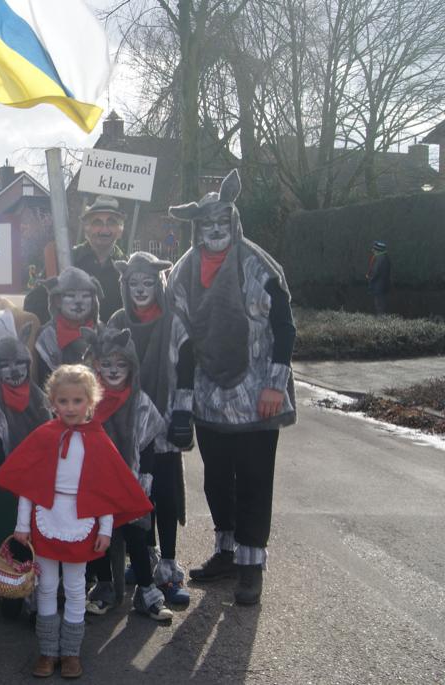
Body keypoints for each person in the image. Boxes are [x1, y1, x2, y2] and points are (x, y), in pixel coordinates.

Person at [166, 169, 296, 605]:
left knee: (256, 478)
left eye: (222, 223)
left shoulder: (259, 265)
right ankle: (225, 552)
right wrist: (183, 406)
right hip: (210, 398)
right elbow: (180, 341)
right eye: (206, 225)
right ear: (196, 228)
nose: (215, 231)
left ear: (234, 222)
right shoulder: (183, 272)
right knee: (217, 478)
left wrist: (275, 385)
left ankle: (251, 562)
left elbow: (284, 326)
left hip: (259, 393)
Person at [0, 365, 153, 679]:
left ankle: (71, 653)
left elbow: (104, 489)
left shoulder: (98, 440)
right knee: (47, 585)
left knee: (77, 587)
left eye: (77, 401)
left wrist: (106, 529)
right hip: (46, 518)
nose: (70, 407)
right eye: (63, 401)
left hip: (82, 522)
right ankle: (48, 650)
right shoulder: (44, 436)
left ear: (90, 402)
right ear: (53, 402)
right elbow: (29, 486)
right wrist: (22, 524)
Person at [103, 252, 193, 606]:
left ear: (159, 284)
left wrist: (184, 414)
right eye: (133, 283)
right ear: (124, 286)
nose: (140, 290)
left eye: (147, 283)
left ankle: (168, 567)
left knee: (166, 492)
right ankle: (147, 559)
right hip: (129, 424)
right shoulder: (116, 320)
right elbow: (105, 366)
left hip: (167, 419)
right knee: (140, 495)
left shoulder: (174, 322)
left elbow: (187, 368)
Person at [80, 327, 173, 622]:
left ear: (131, 366)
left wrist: (144, 480)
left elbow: (147, 445)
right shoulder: (86, 403)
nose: (113, 371)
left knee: (136, 530)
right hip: (95, 482)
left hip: (132, 480)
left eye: (120, 364)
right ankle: (104, 586)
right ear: (95, 365)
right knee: (96, 531)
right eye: (106, 364)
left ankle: (146, 591)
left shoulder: (141, 401)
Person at [24, 195, 126, 325]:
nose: (104, 230)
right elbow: (33, 303)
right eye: (97, 223)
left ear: (120, 230)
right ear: (86, 229)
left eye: (111, 222)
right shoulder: (65, 260)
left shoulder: (127, 268)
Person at [0, 323, 52, 468]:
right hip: (5, 468)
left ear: (28, 364)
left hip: (39, 464)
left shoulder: (37, 394)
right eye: (5, 365)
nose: (14, 371)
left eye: (20, 362)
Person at [33, 266, 102, 387]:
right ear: (57, 301)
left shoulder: (101, 332)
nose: (79, 301)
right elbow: (44, 383)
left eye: (86, 296)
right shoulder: (47, 336)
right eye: (70, 295)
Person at [366, 240, 391, 315]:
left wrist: (370, 278)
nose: (372, 250)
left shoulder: (380, 259)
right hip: (383, 284)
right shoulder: (384, 257)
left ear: (378, 250)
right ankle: (381, 316)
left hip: (379, 285)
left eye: (374, 249)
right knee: (381, 302)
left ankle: (380, 317)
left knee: (379, 303)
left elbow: (375, 271)